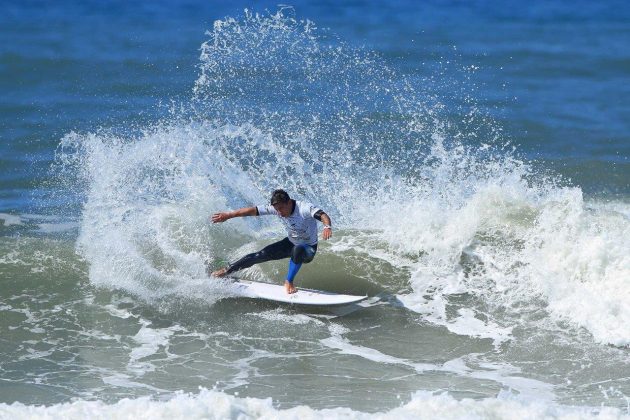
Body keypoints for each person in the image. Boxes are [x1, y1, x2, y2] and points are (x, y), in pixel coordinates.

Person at [210, 189, 333, 294]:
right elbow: (252, 211)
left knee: (298, 249)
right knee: (259, 255)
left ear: (289, 202)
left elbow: (323, 215)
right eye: (276, 209)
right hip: (289, 243)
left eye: (281, 208)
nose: (279, 212)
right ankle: (227, 271)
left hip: (308, 249)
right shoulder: (278, 208)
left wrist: (327, 227)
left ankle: (289, 282)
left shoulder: (304, 208)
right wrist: (228, 215)